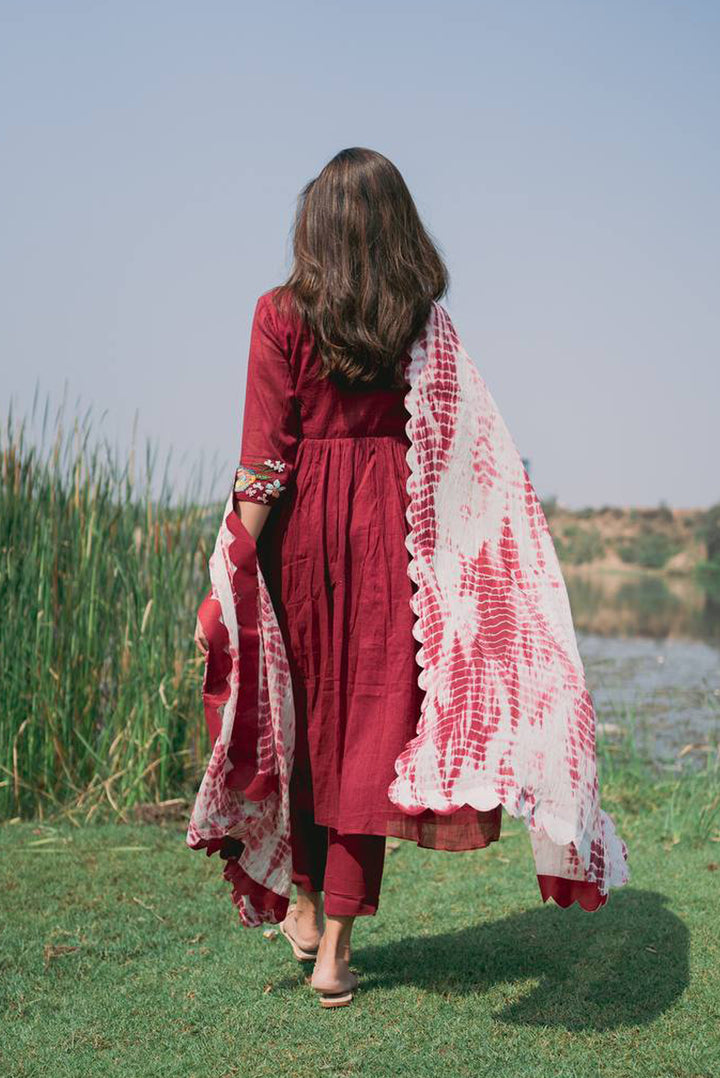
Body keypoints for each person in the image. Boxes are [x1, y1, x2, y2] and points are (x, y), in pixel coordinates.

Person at [193, 147, 503, 1006]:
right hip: (392, 537)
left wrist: (227, 573)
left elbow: (264, 463)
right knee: (368, 736)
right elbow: (454, 448)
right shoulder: (421, 324)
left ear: (315, 224)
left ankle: (301, 901)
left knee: (303, 724)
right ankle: (331, 947)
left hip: (299, 536)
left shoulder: (278, 314)